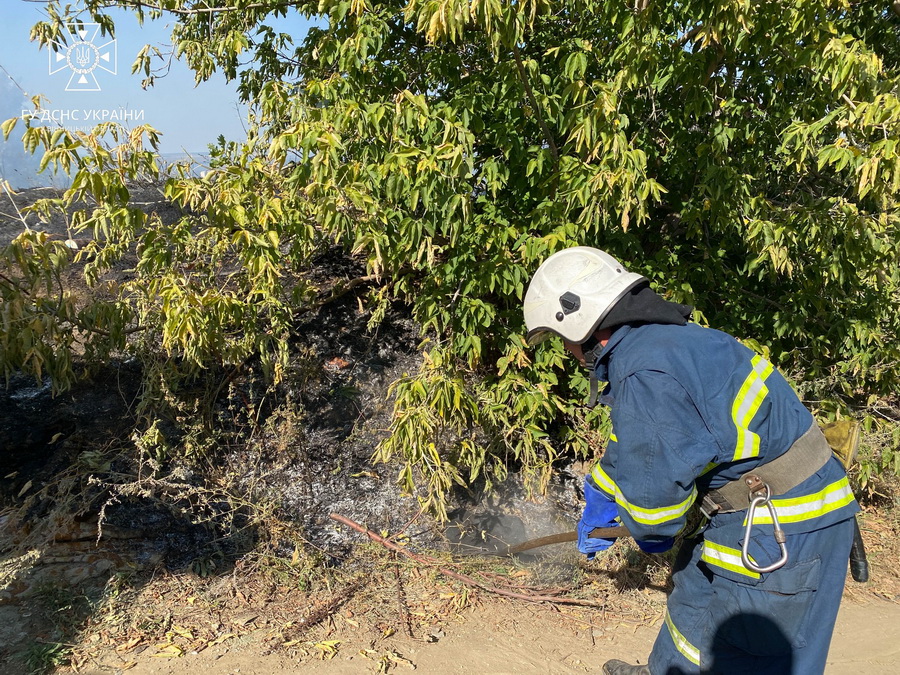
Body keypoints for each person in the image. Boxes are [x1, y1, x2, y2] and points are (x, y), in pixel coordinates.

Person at [523, 246, 860, 674]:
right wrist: (601, 495)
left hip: (782, 530)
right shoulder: (671, 341)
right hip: (752, 508)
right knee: (694, 605)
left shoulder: (647, 372)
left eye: (561, 340)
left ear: (580, 325)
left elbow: (656, 510)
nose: (567, 352)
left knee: (746, 657)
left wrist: (648, 532)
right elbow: (645, 447)